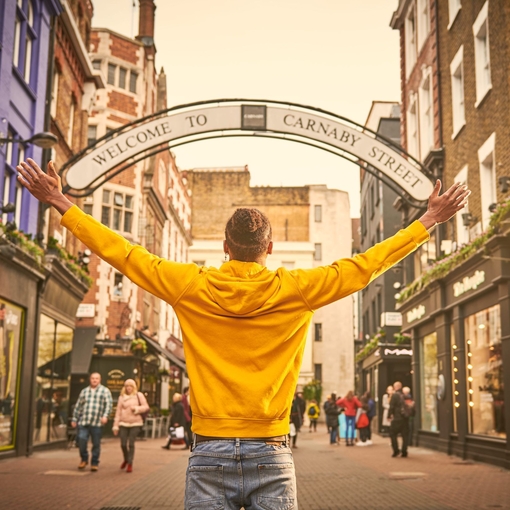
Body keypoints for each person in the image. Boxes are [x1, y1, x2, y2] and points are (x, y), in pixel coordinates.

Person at [17, 157, 469, 508]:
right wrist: (428, 220)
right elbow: (366, 266)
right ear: (269, 249)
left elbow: (125, 254)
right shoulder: (297, 289)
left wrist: (60, 201)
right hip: (271, 450)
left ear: (225, 246)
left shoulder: (190, 284)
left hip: (209, 450)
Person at [71, 372, 113, 471]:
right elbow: (78, 406)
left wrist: (105, 416)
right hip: (84, 421)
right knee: (81, 440)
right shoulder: (84, 391)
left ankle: (94, 462)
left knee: (96, 443)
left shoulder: (105, 391)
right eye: (93, 378)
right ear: (90, 379)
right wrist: (74, 419)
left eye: (96, 378)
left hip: (97, 423)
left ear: (100, 380)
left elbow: (109, 405)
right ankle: (84, 459)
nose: (94, 380)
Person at [112, 379, 149, 473]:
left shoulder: (138, 395)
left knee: (131, 443)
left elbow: (146, 407)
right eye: (127, 386)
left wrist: (137, 409)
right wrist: (115, 426)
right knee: (123, 444)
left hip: (135, 423)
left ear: (134, 387)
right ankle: (126, 458)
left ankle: (130, 463)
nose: (129, 388)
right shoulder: (121, 397)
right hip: (123, 423)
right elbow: (118, 412)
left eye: (131, 386)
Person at [388, 381, 409, 458]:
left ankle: (396, 451)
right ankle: (404, 451)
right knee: (405, 435)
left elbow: (392, 407)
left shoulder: (395, 395)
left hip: (397, 418)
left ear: (396, 387)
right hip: (405, 418)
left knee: (393, 434)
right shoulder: (406, 395)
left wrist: (389, 416)